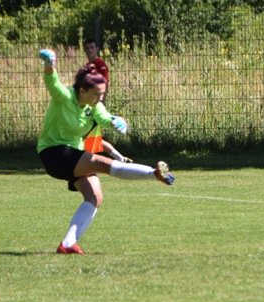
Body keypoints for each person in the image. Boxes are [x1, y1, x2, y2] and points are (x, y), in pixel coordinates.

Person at [36, 49, 175, 255]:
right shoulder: (64, 97)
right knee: (103, 164)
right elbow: (52, 82)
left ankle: (67, 245)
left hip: (73, 155)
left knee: (94, 197)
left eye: (102, 93)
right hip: (53, 153)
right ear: (82, 91)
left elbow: (105, 118)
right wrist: (50, 64)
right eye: (96, 94)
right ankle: (152, 173)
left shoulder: (94, 106)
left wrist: (117, 121)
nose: (100, 97)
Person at [83, 38, 131, 163]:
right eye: (87, 48)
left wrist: (100, 102)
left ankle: (88, 161)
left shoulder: (100, 64)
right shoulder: (87, 66)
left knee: (89, 136)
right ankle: (121, 159)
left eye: (92, 48)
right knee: (93, 137)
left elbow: (104, 84)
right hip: (88, 105)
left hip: (95, 105)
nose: (89, 51)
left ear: (97, 49)